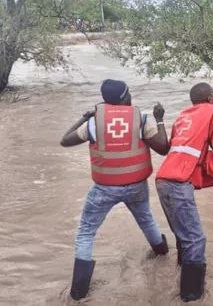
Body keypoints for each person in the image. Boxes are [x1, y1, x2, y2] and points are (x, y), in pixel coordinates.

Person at [60, 79, 170, 300]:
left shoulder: (94, 123)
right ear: (124, 97)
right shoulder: (140, 118)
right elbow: (163, 148)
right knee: (146, 219)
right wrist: (159, 120)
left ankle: (78, 292)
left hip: (104, 189)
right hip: (136, 185)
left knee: (86, 233)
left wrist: (85, 117)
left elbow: (65, 141)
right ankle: (162, 253)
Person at [156, 82, 213, 302]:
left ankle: (182, 279)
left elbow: (170, 147)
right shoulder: (212, 111)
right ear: (210, 99)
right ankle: (192, 296)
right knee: (196, 241)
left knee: (184, 237)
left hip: (163, 180)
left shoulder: (182, 116)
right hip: (178, 183)